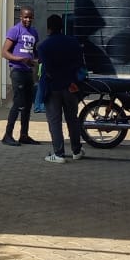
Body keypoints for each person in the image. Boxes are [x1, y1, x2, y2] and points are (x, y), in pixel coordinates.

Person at [36, 14, 85, 163]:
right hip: (71, 87)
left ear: (48, 28)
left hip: (52, 88)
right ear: (62, 27)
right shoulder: (73, 42)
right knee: (72, 120)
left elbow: (47, 68)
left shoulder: (43, 46)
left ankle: (58, 154)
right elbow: (79, 64)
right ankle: (76, 151)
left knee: (55, 121)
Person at [0, 6, 40, 146]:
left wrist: (36, 59)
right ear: (20, 17)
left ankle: (24, 135)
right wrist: (20, 59)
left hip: (29, 71)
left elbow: (34, 52)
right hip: (17, 70)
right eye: (25, 17)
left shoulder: (34, 32)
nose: (28, 19)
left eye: (30, 17)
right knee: (18, 103)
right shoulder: (15, 30)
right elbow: (4, 52)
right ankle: (7, 135)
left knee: (28, 104)